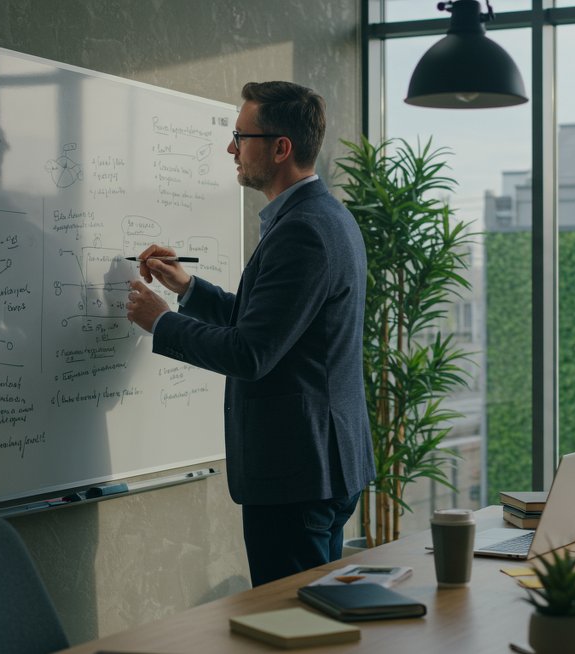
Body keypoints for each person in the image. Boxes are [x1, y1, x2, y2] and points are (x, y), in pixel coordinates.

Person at [125, 81, 373, 586]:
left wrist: (161, 321)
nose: (231, 148)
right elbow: (275, 324)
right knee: (315, 620)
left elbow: (251, 353)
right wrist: (190, 289)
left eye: (241, 135)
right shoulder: (326, 216)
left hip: (297, 475)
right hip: (318, 468)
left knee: (297, 627)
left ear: (281, 147)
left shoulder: (302, 229)